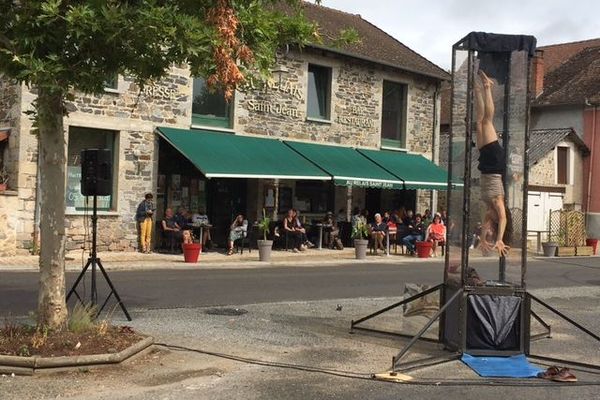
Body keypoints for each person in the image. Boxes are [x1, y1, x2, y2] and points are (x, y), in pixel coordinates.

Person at [474, 69, 512, 257]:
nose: (487, 227)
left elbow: (484, 224)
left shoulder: (489, 213)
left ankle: (478, 91)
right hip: (495, 163)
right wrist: (499, 240)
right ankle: (487, 87)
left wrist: (483, 239)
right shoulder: (498, 207)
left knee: (479, 123)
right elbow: (503, 219)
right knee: (487, 121)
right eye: (491, 231)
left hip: (486, 165)